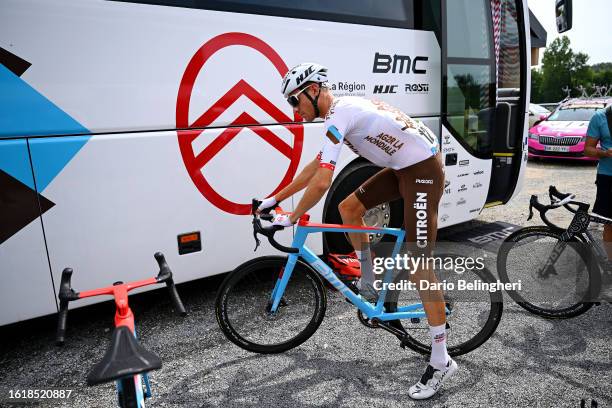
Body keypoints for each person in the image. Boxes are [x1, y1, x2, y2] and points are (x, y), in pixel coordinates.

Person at [257, 63, 455, 399]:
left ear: (313, 91)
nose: (294, 109)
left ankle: (441, 360)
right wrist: (274, 199)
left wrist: (291, 218)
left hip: (422, 170)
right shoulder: (340, 113)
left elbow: (322, 182)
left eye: (295, 100)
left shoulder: (340, 112)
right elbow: (316, 167)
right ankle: (369, 282)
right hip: (403, 166)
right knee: (349, 208)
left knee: (419, 264)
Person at [585, 104, 612, 300]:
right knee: (610, 223)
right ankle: (610, 268)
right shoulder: (600, 117)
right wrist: (606, 153)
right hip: (608, 177)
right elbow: (588, 149)